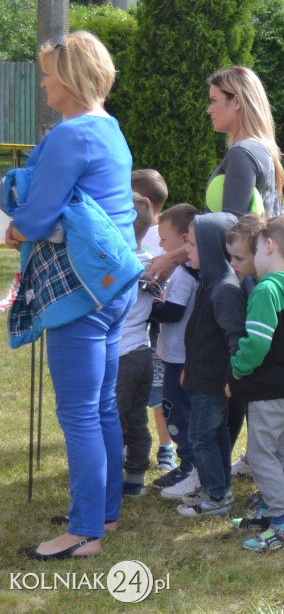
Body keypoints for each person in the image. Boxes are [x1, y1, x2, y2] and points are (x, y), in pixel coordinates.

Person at [6, 31, 141, 560]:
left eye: (47, 73)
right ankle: (103, 511)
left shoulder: (69, 135)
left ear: (70, 77)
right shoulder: (110, 129)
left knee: (80, 413)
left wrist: (15, 228)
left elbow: (35, 218)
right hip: (113, 287)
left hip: (79, 291)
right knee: (101, 406)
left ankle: (85, 531)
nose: (42, 82)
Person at [228, 215, 284, 552]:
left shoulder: (267, 289)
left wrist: (237, 368)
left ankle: (282, 526)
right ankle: (269, 510)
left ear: (269, 246)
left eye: (255, 247)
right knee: (278, 452)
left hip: (269, 389)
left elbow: (257, 342)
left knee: (261, 453)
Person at [143, 66, 283, 285]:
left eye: (214, 100)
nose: (209, 109)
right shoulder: (261, 150)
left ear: (236, 102)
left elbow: (229, 227)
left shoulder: (242, 153)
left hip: (238, 282)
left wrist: (172, 258)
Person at [176, 213, 246, 518]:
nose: (187, 250)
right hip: (202, 377)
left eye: (192, 244)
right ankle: (218, 488)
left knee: (202, 436)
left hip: (216, 381)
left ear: (211, 248)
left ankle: (216, 496)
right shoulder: (209, 282)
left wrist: (233, 378)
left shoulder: (224, 289)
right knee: (214, 435)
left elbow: (235, 339)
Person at [150, 204, 202, 500]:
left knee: (178, 412)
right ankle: (188, 464)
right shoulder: (185, 271)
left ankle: (190, 466)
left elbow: (172, 311)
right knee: (180, 411)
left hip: (178, 357)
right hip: (179, 354)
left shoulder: (182, 274)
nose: (160, 245)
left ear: (184, 240)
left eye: (163, 238)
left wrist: (149, 305)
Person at [130, 169, 176, 473]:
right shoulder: (158, 235)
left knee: (157, 395)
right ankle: (158, 447)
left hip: (153, 331)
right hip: (142, 330)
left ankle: (165, 446)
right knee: (145, 393)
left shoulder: (157, 236)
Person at [115, 195, 158, 499]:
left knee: (113, 420)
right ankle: (135, 478)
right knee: (136, 420)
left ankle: (108, 478)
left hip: (120, 356)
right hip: (143, 352)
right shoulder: (151, 262)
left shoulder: (120, 263)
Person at [224, 213, 266, 478]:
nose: (232, 264)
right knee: (254, 413)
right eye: (230, 257)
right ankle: (252, 459)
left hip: (266, 364)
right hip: (253, 363)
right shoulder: (247, 280)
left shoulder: (266, 285)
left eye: (239, 258)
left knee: (265, 423)